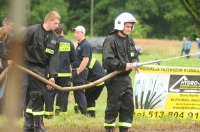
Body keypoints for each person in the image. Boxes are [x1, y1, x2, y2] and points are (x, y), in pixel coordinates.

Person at [21, 11, 61, 132]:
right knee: (33, 95)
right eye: (55, 23)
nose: (57, 26)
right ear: (48, 21)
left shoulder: (55, 38)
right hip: (26, 67)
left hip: (41, 69)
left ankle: (32, 125)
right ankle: (34, 125)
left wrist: (52, 76)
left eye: (58, 24)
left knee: (37, 96)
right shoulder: (32, 30)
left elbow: (54, 59)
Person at [102, 12, 139, 132]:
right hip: (114, 78)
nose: (130, 29)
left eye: (131, 26)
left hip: (126, 79)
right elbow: (108, 60)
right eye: (127, 26)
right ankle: (110, 129)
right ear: (120, 25)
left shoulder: (130, 41)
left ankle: (124, 129)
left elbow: (134, 55)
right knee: (114, 106)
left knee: (128, 106)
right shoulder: (110, 40)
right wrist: (124, 65)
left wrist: (135, 62)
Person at [44, 24, 76, 118]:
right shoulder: (69, 42)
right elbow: (73, 59)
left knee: (50, 94)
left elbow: (46, 57)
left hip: (52, 75)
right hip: (65, 74)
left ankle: (48, 115)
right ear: (62, 32)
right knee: (63, 94)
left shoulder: (51, 43)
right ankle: (61, 115)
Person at [72, 25, 92, 115]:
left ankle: (84, 113)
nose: (75, 34)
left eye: (77, 32)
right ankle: (79, 111)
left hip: (81, 71)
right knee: (76, 93)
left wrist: (77, 72)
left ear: (83, 33)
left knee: (80, 92)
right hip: (77, 71)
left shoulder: (85, 45)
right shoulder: (79, 45)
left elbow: (85, 60)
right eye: (75, 32)